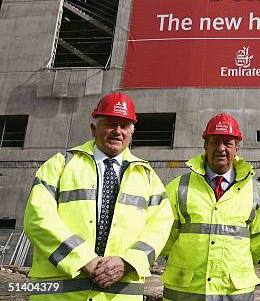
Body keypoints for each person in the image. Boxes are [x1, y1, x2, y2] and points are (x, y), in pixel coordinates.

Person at [24, 92, 174, 301]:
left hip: (120, 295)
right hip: (60, 295)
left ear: (132, 133)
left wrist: (127, 262)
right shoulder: (60, 165)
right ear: (94, 128)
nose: (117, 132)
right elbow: (38, 218)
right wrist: (83, 259)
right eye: (110, 124)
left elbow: (160, 227)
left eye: (124, 126)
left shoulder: (148, 177)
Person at [161, 113, 260, 301]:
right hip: (186, 291)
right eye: (215, 142)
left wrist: (239, 263)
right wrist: (182, 262)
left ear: (237, 148)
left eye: (227, 143)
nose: (221, 148)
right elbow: (163, 233)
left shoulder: (255, 191)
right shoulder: (179, 187)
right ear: (205, 146)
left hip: (233, 291)